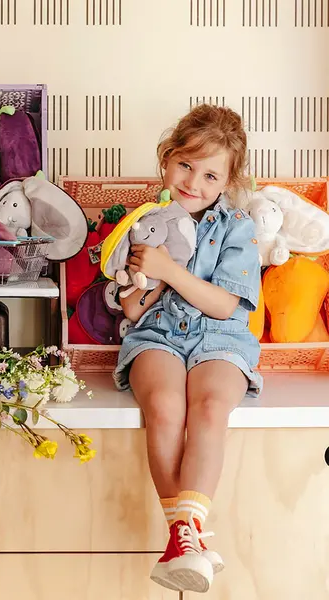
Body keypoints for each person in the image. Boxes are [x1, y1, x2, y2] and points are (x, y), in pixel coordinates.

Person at [113, 104, 262, 594]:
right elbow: (133, 307)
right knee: (163, 404)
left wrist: (171, 269)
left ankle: (183, 536)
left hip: (220, 337)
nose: (193, 182)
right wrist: (151, 268)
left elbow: (224, 305)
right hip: (158, 332)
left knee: (211, 406)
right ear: (167, 159)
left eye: (210, 175)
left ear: (227, 182)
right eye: (185, 165)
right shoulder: (147, 221)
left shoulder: (237, 227)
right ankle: (187, 539)